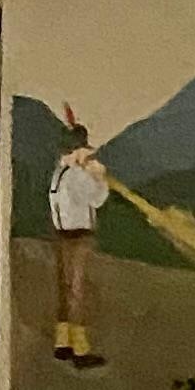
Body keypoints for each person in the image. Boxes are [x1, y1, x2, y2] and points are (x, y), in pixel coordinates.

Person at [49, 110, 112, 370]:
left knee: (65, 288)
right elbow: (97, 199)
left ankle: (62, 342)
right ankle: (80, 349)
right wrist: (100, 178)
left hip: (62, 234)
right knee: (77, 291)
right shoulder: (77, 174)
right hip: (78, 235)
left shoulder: (58, 173)